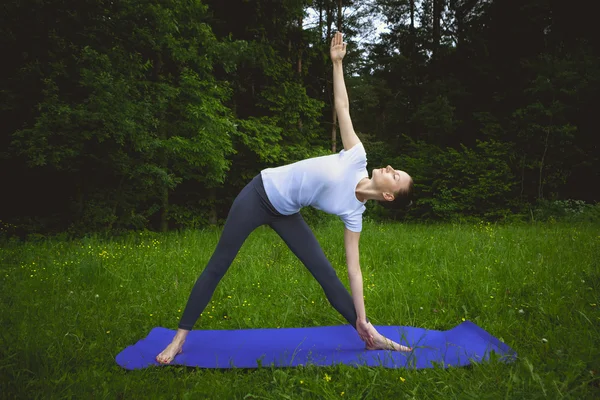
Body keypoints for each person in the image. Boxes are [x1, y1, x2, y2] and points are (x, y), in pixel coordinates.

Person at [156, 32, 414, 364]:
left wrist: (362, 316)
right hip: (259, 193)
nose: (390, 167)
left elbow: (355, 270)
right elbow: (342, 106)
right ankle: (179, 338)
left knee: (327, 275)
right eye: (394, 168)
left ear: (389, 195)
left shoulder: (355, 213)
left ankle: (368, 334)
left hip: (286, 213)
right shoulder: (356, 157)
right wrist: (337, 64)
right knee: (219, 264)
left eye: (395, 175)